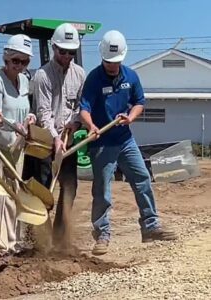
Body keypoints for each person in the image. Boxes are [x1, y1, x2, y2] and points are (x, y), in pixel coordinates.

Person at [80, 30, 177, 256]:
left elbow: (139, 102)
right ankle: (102, 233)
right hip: (102, 143)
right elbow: (84, 108)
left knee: (142, 178)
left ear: (122, 58)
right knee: (102, 189)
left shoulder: (131, 77)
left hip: (125, 140)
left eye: (116, 62)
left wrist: (131, 117)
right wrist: (91, 125)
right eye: (108, 62)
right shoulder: (94, 79)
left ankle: (151, 226)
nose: (112, 66)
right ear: (102, 58)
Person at [30, 23, 86, 248]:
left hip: (69, 141)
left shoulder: (80, 74)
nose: (67, 56)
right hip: (46, 142)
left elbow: (81, 106)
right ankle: (42, 240)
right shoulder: (42, 75)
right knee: (45, 189)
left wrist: (76, 123)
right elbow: (43, 112)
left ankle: (61, 236)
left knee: (69, 186)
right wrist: (54, 138)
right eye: (62, 51)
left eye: (71, 51)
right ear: (54, 48)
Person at [0, 34, 35, 253]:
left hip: (17, 147)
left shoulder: (24, 81)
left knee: (14, 193)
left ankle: (13, 240)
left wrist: (30, 117)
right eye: (16, 61)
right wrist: (16, 125)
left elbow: (25, 107)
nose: (20, 66)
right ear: (6, 59)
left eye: (24, 61)